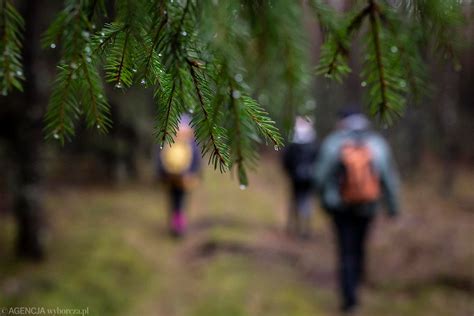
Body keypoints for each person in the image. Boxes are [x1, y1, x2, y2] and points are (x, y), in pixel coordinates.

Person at [314, 109, 400, 313]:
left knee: (346, 251)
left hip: (340, 209)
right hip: (368, 208)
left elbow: (320, 177)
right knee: (359, 248)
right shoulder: (377, 144)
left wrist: (325, 200)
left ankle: (349, 299)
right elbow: (389, 179)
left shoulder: (334, 143)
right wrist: (393, 208)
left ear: (343, 122)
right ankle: (356, 287)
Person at [156, 115, 201, 237]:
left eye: (184, 129)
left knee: (180, 201)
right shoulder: (168, 142)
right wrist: (162, 173)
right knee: (173, 200)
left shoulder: (191, 145)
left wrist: (192, 174)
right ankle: (175, 225)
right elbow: (160, 159)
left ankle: (179, 226)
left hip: (185, 180)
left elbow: (196, 161)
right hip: (170, 179)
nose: (181, 132)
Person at [282, 116, 319, 238]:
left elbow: (286, 161)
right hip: (309, 179)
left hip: (296, 178)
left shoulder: (294, 142)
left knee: (296, 201)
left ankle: (295, 227)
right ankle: (304, 228)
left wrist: (290, 172)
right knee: (306, 202)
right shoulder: (313, 142)